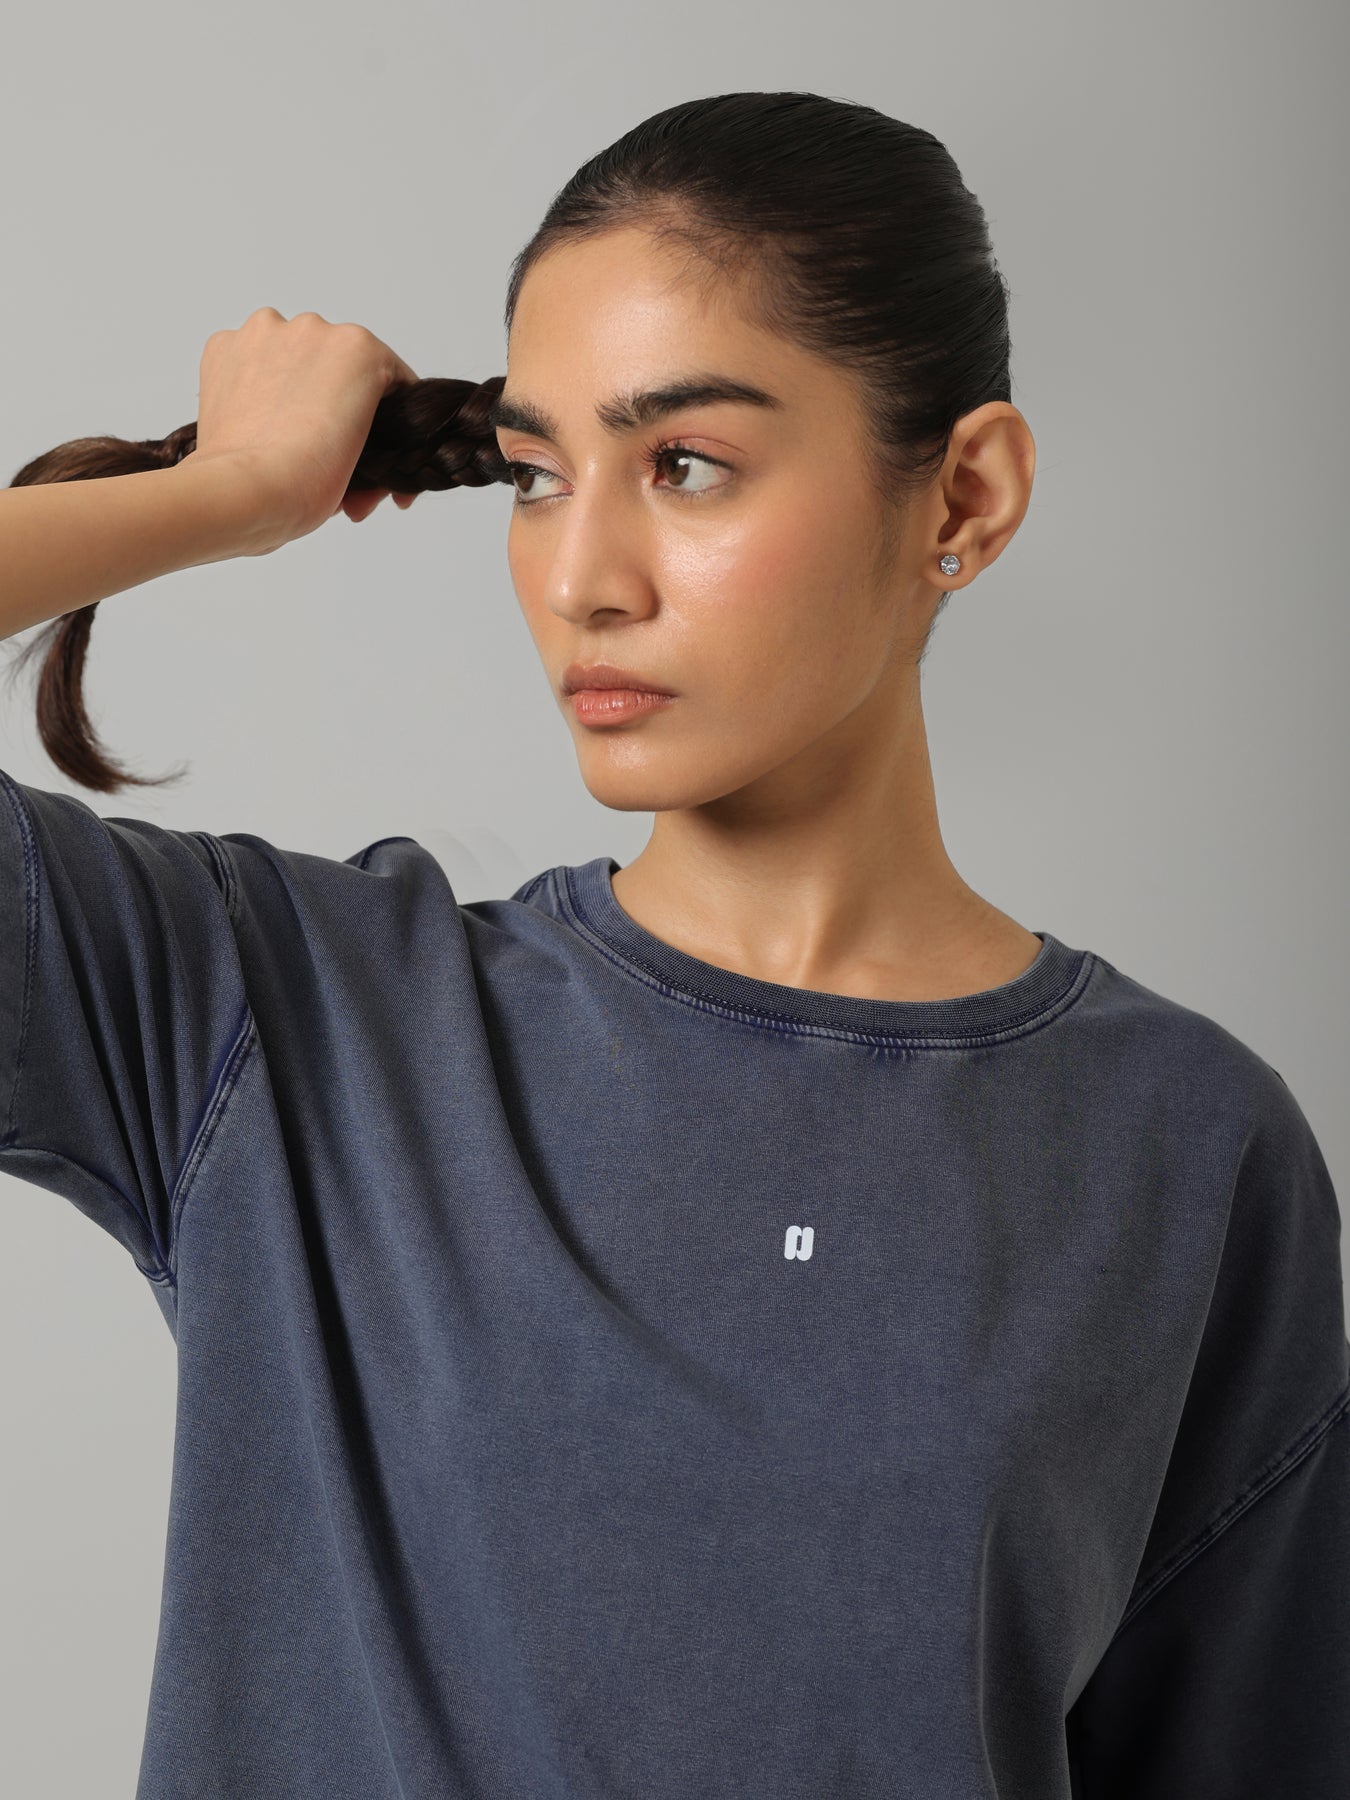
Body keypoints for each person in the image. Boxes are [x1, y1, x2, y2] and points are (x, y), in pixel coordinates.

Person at [1, 90, 1346, 1799]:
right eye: (536, 477)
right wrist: (230, 493)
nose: (583, 578)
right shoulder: (280, 1020)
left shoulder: (1184, 1145)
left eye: (685, 466)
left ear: (965, 494)